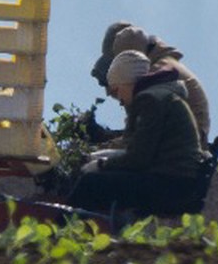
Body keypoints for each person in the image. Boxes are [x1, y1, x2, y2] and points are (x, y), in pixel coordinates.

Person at [68, 50, 210, 217]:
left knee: (89, 183)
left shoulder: (151, 101)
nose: (119, 99)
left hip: (171, 183)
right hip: (179, 178)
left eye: (117, 90)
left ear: (127, 83)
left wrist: (100, 164)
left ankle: (63, 229)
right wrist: (99, 156)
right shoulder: (162, 96)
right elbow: (139, 149)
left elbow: (138, 158)